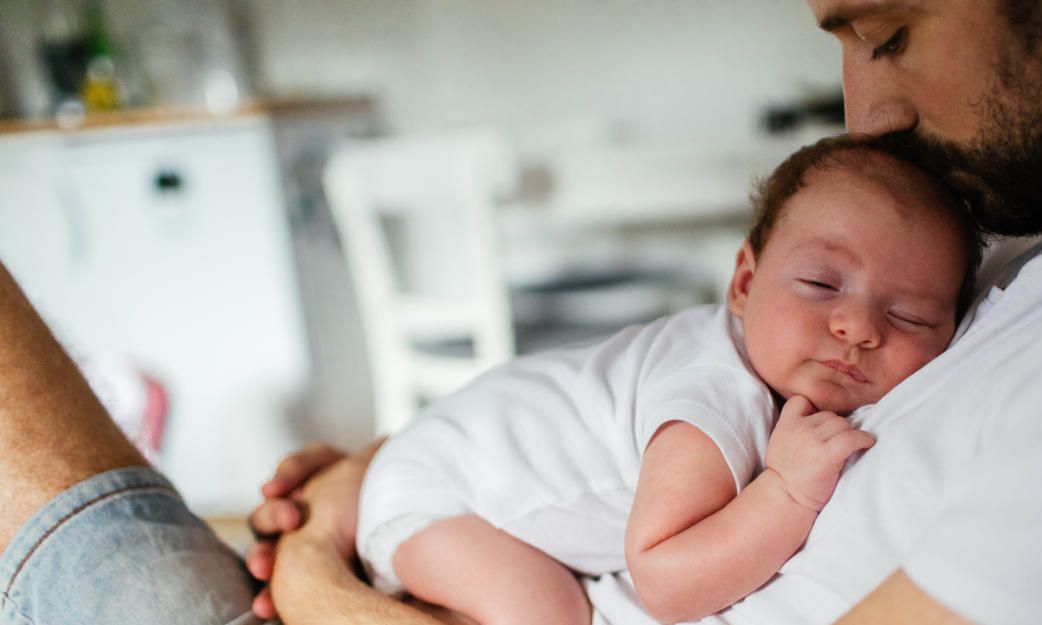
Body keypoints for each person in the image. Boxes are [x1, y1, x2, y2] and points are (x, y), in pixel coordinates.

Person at [1, 0, 1042, 624]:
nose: (867, 112)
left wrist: (320, 580)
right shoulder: (1035, 247)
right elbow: (633, 403)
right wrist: (365, 491)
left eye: (886, 30)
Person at [354, 136, 978, 625]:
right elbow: (664, 583)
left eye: (910, 316)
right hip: (435, 494)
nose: (858, 327)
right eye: (821, 284)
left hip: (448, 450)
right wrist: (787, 492)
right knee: (550, 612)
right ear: (744, 284)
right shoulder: (715, 397)